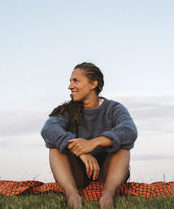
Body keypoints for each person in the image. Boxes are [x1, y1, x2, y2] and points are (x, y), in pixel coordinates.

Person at [41, 62, 138, 208]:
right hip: (76, 175)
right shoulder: (67, 111)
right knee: (55, 145)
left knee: (123, 144)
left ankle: (107, 197)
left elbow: (130, 130)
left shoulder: (114, 108)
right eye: (70, 81)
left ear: (93, 84)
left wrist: (95, 142)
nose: (70, 86)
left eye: (76, 81)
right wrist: (81, 151)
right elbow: (48, 129)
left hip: (107, 175)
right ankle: (72, 195)